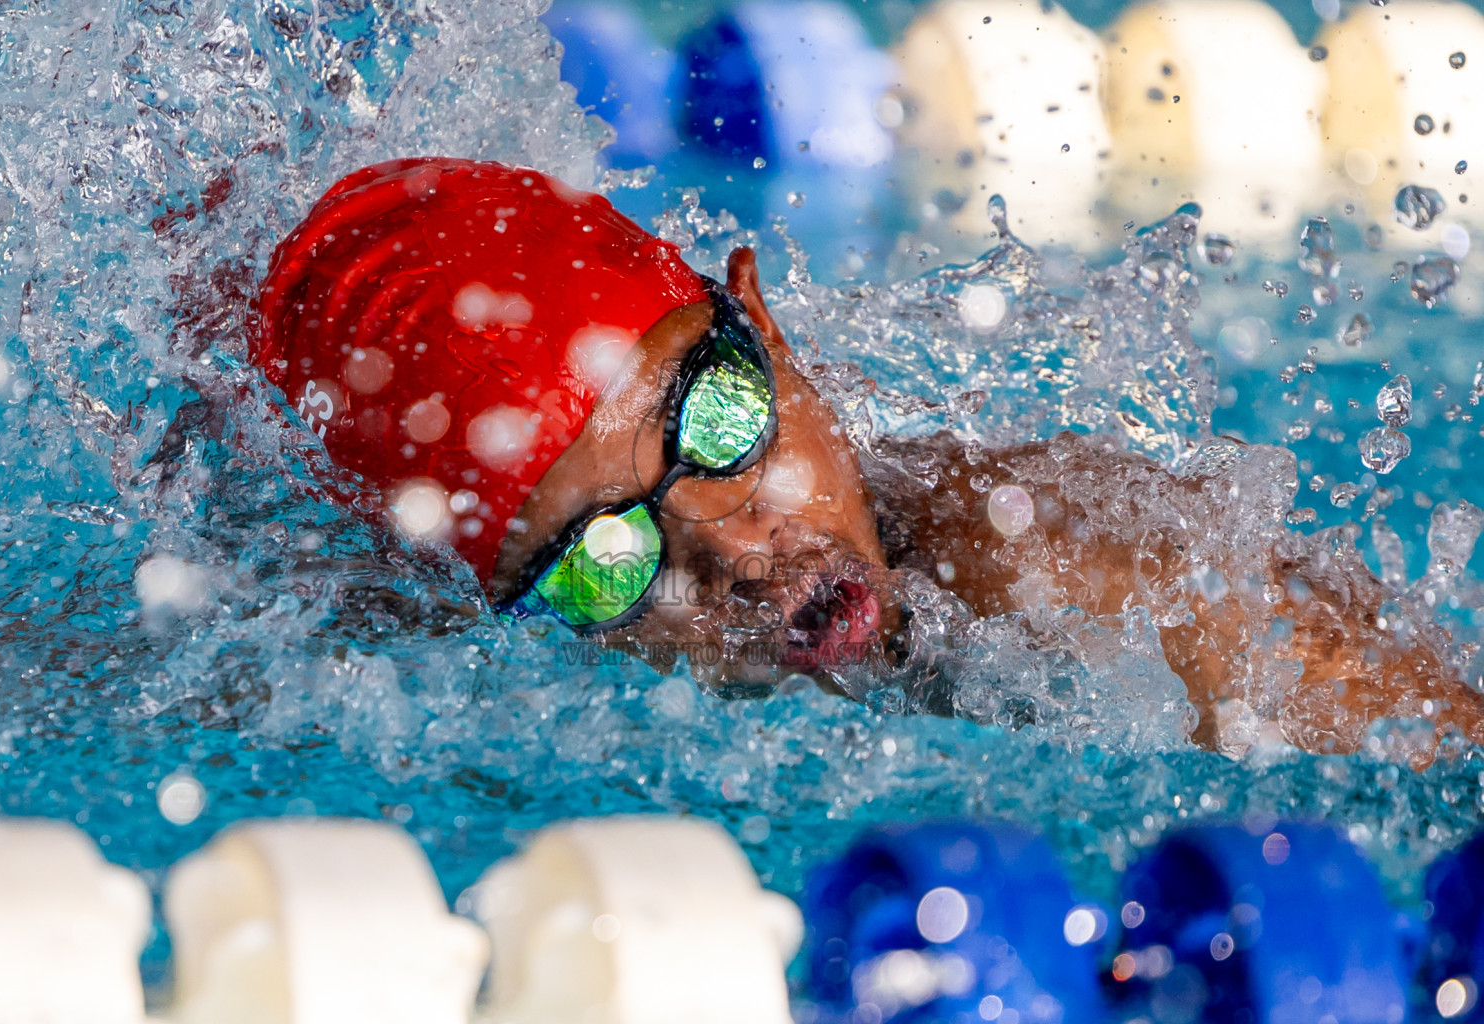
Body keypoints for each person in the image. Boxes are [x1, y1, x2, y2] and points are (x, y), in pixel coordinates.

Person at [254, 157, 1483, 759]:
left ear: (771, 333)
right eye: (600, 564)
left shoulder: (1085, 581)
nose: (735, 550)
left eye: (725, 430)